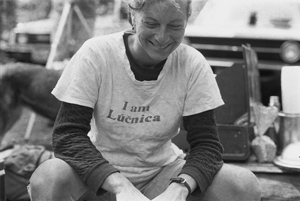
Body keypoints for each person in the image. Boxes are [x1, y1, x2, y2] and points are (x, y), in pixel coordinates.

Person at [28, 0, 262, 200]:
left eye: (175, 26)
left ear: (187, 19)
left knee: (242, 184)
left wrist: (179, 188)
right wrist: (121, 186)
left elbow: (207, 145)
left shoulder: (192, 64)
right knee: (49, 177)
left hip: (162, 174)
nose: (162, 37)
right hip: (97, 176)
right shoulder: (96, 54)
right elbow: (67, 136)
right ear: (133, 16)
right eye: (150, 24)